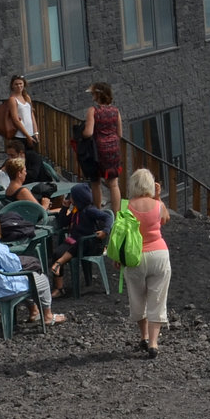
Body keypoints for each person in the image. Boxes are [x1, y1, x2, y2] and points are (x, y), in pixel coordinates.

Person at [0, 206, 62, 327]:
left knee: (26, 280)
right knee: (39, 279)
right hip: (4, 290)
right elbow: (14, 268)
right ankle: (48, 316)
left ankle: (34, 311)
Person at [126, 168, 173, 356]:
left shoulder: (126, 206)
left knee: (138, 298)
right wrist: (159, 197)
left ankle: (143, 337)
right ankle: (154, 343)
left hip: (135, 256)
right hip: (159, 253)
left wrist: (117, 258)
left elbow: (120, 234)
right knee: (157, 298)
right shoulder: (157, 205)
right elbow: (166, 218)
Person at [49, 184, 111, 293]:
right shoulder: (76, 211)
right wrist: (64, 208)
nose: (70, 199)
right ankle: (59, 288)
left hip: (88, 244)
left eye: (71, 197)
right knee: (57, 252)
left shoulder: (90, 210)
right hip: (74, 241)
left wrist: (105, 230)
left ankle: (59, 263)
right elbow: (62, 223)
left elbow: (107, 217)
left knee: (78, 243)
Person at [83, 83, 125, 211]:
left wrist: (82, 132)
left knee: (96, 182)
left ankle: (98, 211)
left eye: (93, 93)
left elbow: (88, 133)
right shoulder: (115, 111)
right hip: (114, 149)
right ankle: (116, 215)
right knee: (113, 184)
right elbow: (120, 134)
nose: (92, 95)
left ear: (98, 95)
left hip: (98, 150)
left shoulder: (93, 111)